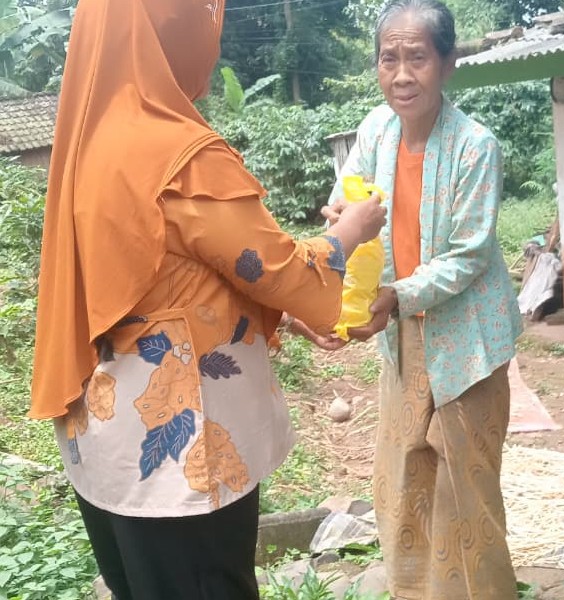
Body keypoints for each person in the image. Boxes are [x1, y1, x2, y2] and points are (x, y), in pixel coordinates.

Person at [27, 1, 385, 599]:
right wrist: (350, 231)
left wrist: (282, 315)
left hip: (109, 442)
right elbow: (268, 267)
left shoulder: (86, 145)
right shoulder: (179, 155)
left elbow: (163, 279)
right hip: (183, 461)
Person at [321, 1, 523, 598]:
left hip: (468, 339)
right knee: (406, 477)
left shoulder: (474, 147)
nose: (402, 75)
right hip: (402, 331)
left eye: (418, 58)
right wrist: (339, 228)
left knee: (466, 492)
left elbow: (469, 255)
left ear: (447, 63)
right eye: (389, 59)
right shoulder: (374, 131)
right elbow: (349, 211)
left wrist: (395, 296)